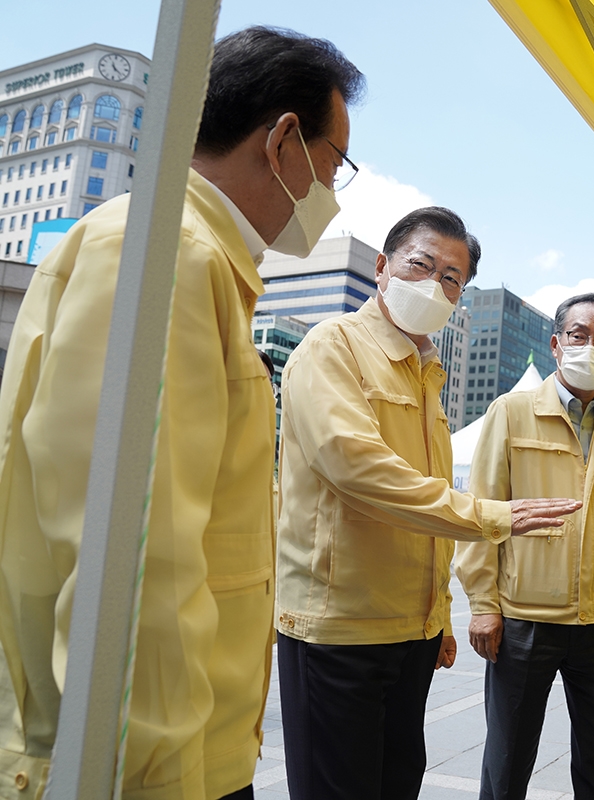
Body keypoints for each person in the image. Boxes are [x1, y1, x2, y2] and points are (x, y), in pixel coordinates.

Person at [0, 26, 362, 799]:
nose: (331, 190)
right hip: (160, 765)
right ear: (284, 140)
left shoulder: (193, 255)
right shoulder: (170, 253)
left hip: (185, 749)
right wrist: (160, 774)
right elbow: (142, 561)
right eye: (336, 164)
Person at [274, 207, 580, 800]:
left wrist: (437, 616)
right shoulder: (331, 347)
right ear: (383, 268)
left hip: (409, 633)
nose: (436, 284)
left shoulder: (428, 371)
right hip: (338, 627)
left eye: (452, 278)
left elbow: (426, 503)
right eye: (423, 265)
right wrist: (492, 518)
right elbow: (358, 469)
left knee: (397, 782)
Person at [456, 293, 594, 800]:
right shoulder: (512, 412)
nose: (590, 346)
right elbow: (481, 510)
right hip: (525, 619)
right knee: (509, 755)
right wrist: (482, 605)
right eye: (579, 335)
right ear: (557, 344)